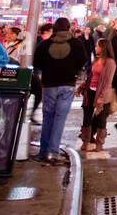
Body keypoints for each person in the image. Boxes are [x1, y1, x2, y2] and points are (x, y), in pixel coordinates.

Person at [31, 17, 90, 163]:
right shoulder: (76, 43)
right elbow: (83, 60)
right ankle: (53, 152)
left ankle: (43, 151)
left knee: (48, 118)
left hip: (49, 85)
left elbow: (37, 63)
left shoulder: (45, 44)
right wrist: (74, 71)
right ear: (68, 27)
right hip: (67, 84)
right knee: (59, 119)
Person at [81, 38, 117, 151]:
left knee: (101, 119)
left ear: (103, 48)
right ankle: (85, 141)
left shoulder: (110, 62)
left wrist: (101, 99)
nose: (95, 48)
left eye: (97, 46)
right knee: (86, 118)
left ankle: (99, 143)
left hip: (103, 94)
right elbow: (91, 76)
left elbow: (107, 82)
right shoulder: (96, 60)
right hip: (90, 92)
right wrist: (82, 87)